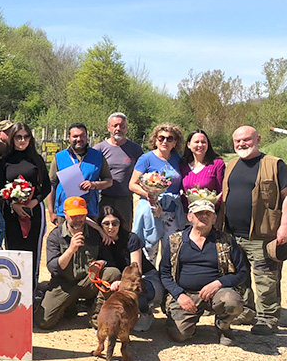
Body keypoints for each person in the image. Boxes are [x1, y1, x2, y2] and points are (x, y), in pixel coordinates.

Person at [222, 125, 287, 335]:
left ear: (257, 139)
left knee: (266, 278)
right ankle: (247, 311)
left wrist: (284, 226)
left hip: (263, 235)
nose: (242, 144)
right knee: (240, 276)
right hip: (233, 234)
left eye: (246, 140)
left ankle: (267, 318)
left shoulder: (275, 164)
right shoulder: (230, 165)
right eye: (237, 141)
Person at [160, 199, 248, 345]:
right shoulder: (175, 241)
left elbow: (242, 272)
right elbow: (164, 273)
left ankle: (223, 326)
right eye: (199, 213)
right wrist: (179, 294)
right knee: (180, 335)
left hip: (217, 293)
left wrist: (219, 283)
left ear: (214, 218)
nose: (204, 216)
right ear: (190, 216)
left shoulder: (226, 241)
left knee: (232, 302)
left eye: (208, 213)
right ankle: (188, 320)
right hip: (186, 294)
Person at [35, 197, 121, 330]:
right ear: (65, 214)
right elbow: (53, 268)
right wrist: (70, 250)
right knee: (44, 322)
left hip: (88, 281)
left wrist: (101, 263)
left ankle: (97, 316)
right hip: (64, 284)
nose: (78, 219)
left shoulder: (94, 234)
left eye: (81, 215)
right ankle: (68, 304)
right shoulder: (56, 236)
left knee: (112, 273)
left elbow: (109, 260)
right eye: (74, 215)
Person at [0, 123, 51, 285]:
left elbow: (46, 186)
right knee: (14, 248)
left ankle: (32, 289)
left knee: (32, 250)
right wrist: (14, 205)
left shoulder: (36, 159)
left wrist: (33, 202)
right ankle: (14, 286)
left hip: (34, 211)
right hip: (11, 212)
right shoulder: (3, 160)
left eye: (26, 137)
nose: (22, 140)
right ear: (12, 138)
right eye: (18, 137)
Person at [96, 206, 163, 332]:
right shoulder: (100, 241)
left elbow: (136, 271)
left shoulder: (131, 238)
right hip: (119, 279)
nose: (111, 227)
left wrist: (122, 283)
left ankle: (145, 313)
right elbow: (86, 221)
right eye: (106, 224)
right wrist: (98, 230)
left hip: (145, 280)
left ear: (120, 223)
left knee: (134, 292)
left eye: (115, 223)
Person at [130, 123, 185, 264]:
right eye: (161, 138)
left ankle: (168, 282)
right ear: (155, 140)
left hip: (171, 212)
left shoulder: (178, 159)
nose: (165, 141)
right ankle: (149, 282)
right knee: (150, 249)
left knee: (171, 251)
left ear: (175, 142)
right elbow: (132, 184)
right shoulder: (146, 159)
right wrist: (149, 195)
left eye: (169, 138)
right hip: (151, 209)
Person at [46, 123, 113, 226]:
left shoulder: (98, 157)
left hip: (89, 211)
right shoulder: (59, 157)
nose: (79, 139)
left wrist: (94, 185)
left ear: (87, 137)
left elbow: (109, 181)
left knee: (89, 241)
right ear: (69, 138)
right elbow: (51, 185)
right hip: (65, 212)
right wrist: (51, 212)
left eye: (82, 135)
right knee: (65, 241)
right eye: (75, 136)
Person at [94, 112, 143, 227]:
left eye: (122, 126)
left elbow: (143, 173)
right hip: (103, 198)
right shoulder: (99, 149)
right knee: (103, 232)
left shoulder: (135, 149)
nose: (118, 129)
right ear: (108, 127)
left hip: (125, 200)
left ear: (126, 128)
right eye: (115, 125)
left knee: (124, 233)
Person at [180, 129, 225, 215]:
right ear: (189, 145)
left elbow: (222, 192)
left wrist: (212, 212)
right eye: (196, 142)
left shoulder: (217, 164)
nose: (200, 145)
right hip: (188, 215)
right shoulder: (183, 165)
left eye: (203, 142)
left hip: (210, 215)